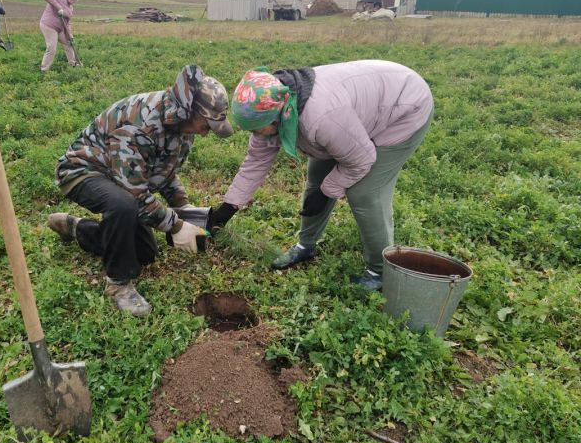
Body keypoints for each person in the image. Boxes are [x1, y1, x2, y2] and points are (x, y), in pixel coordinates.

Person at [207, 61, 434, 290]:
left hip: (404, 107)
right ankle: (306, 246)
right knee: (317, 175)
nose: (255, 134)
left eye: (257, 128)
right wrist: (228, 208)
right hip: (354, 115)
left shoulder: (321, 118)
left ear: (281, 114)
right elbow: (256, 162)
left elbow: (361, 160)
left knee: (364, 193)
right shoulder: (271, 106)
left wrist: (328, 192)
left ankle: (380, 271)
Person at [48, 65, 233, 316]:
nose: (206, 132)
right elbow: (134, 194)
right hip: (82, 171)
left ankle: (76, 228)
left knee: (144, 254)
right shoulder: (139, 124)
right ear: (189, 111)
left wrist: (183, 206)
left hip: (119, 177)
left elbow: (164, 171)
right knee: (123, 205)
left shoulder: (181, 125)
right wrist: (176, 227)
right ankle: (118, 285)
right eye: (206, 125)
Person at [39, 0, 80, 71]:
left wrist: (70, 36)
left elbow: (67, 23)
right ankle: (44, 69)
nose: (74, 2)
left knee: (69, 43)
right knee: (51, 47)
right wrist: (59, 8)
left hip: (60, 28)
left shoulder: (70, 7)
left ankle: (73, 64)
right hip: (49, 26)